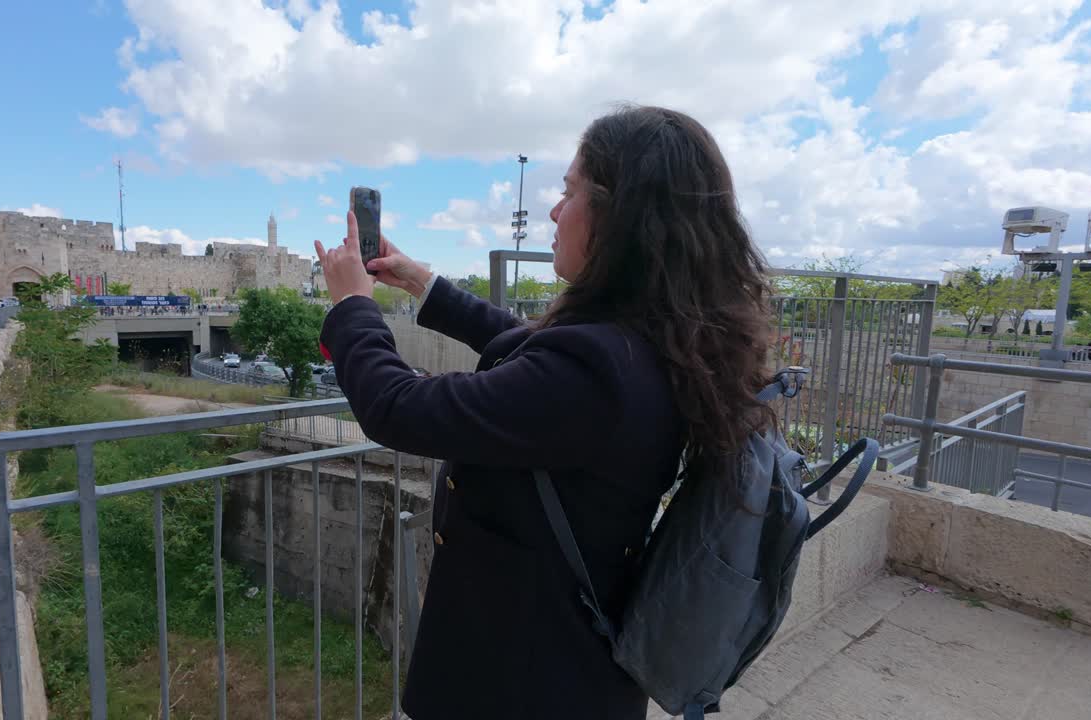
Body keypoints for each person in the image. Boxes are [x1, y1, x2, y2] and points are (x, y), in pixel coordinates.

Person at [314, 106, 775, 720]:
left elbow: (398, 408)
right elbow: (533, 349)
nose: (556, 211)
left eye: (570, 191)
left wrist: (352, 309)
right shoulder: (656, 338)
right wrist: (424, 286)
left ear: (621, 215)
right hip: (570, 664)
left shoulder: (597, 369)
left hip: (513, 679)